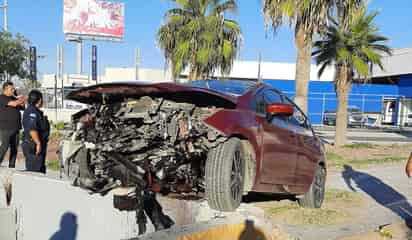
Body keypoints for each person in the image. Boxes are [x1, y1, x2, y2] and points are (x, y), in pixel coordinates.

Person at [22, 90, 50, 173]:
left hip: (36, 143)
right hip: (33, 144)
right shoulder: (32, 111)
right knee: (34, 172)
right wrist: (38, 143)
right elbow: (32, 129)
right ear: (40, 100)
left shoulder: (36, 111)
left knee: (39, 169)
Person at [0, 82, 26, 168]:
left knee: (14, 149)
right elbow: (14, 104)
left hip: (16, 127)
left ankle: (12, 166)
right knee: (4, 146)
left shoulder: (13, 98)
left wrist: (19, 98)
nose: (13, 90)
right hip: (6, 127)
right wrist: (23, 98)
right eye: (11, 89)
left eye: (13, 88)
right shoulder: (2, 97)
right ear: (5, 89)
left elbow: (22, 107)